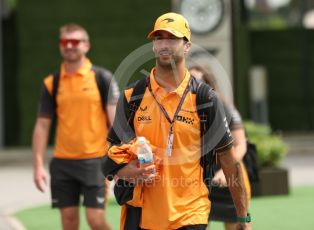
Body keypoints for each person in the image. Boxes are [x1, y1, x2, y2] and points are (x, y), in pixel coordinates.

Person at [104, 13, 251, 230]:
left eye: (172, 38)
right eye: (159, 38)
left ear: (187, 46)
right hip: (141, 214)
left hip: (190, 213)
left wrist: (243, 219)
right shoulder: (132, 97)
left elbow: (230, 162)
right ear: (153, 46)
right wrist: (130, 172)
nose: (164, 44)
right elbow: (110, 157)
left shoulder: (205, 99)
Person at [32, 23, 119, 230]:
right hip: (63, 163)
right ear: (60, 46)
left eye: (75, 41)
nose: (70, 46)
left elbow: (116, 122)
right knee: (69, 222)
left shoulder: (102, 78)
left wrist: (117, 159)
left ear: (86, 45)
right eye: (65, 42)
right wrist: (37, 165)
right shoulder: (51, 82)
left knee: (95, 220)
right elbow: (42, 126)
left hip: (95, 161)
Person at [189, 66, 251, 230]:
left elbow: (240, 144)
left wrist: (225, 170)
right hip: (198, 180)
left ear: (209, 85)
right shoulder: (182, 110)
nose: (192, 86)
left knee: (237, 224)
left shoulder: (225, 107)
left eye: (197, 81)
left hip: (227, 178)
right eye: (189, 82)